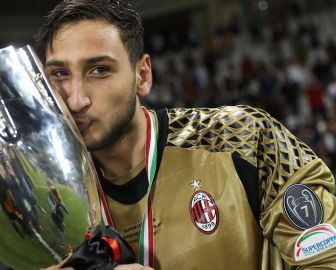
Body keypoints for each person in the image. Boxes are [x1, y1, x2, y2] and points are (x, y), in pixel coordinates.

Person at [35, 0, 336, 269]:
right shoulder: (53, 198)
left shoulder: (242, 137)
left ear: (143, 76)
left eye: (99, 70)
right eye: (60, 74)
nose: (76, 100)